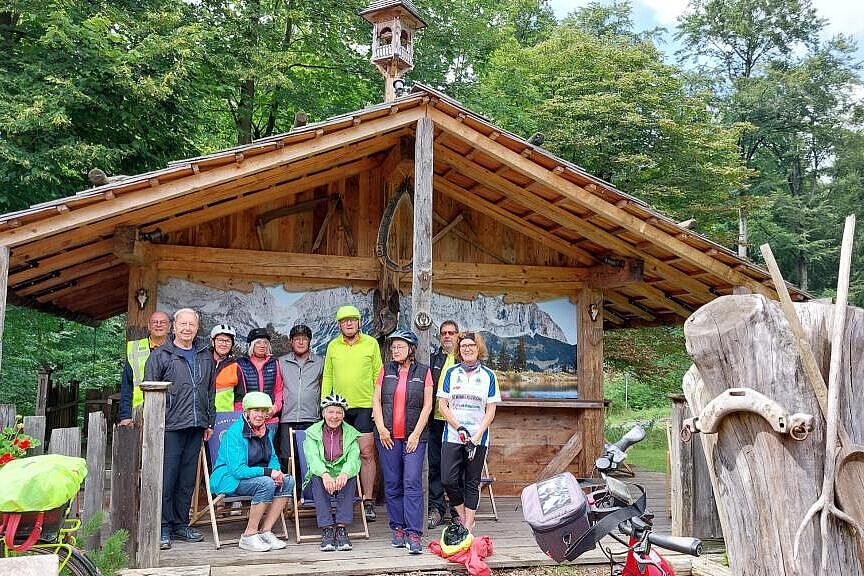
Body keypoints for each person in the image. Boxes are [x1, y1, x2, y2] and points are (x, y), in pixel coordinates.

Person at [143, 308, 216, 550]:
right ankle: (163, 526)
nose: (187, 328)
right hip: (170, 425)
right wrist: (155, 424)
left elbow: (210, 391)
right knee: (167, 477)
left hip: (196, 425)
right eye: (182, 324)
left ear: (197, 328)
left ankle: (180, 524)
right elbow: (150, 392)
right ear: (174, 327)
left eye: (191, 324)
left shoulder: (205, 354)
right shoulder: (161, 355)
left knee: (187, 479)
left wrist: (209, 421)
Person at [372, 329, 433, 554]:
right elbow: (376, 401)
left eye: (400, 346)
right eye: (393, 347)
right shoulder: (385, 370)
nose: (395, 350)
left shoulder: (424, 372)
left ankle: (414, 532)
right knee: (393, 483)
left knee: (412, 483)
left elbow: (427, 405)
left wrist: (416, 434)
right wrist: (381, 429)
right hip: (388, 437)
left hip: (414, 438)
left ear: (411, 349)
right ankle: (398, 528)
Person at [209, 391, 293, 552]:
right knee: (266, 483)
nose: (260, 415)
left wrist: (276, 471)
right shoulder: (235, 433)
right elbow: (238, 471)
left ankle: (266, 531)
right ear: (246, 412)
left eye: (263, 411)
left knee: (288, 480)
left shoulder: (264, 430)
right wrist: (268, 473)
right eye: (256, 411)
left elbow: (273, 457)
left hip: (255, 476)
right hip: (229, 478)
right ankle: (249, 535)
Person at [321, 305, 382, 521]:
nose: (349, 323)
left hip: (365, 406)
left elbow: (378, 376)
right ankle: (337, 497)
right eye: (345, 320)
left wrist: (378, 406)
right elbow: (327, 375)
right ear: (339, 325)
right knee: (336, 454)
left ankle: (367, 501)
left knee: (366, 453)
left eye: (353, 320)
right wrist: (325, 405)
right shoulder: (332, 346)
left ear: (358, 323)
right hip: (339, 409)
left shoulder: (371, 344)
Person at [437, 331, 500, 532]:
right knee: (448, 479)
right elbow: (443, 406)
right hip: (454, 435)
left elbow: (491, 410)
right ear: (459, 350)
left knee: (472, 482)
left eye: (471, 345)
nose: (467, 349)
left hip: (478, 438)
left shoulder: (489, 375)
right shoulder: (451, 373)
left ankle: (467, 526)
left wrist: (478, 434)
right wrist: (459, 427)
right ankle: (465, 518)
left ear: (478, 348)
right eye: (463, 346)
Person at [302, 394, 361, 552]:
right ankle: (327, 529)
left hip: (342, 482)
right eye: (330, 412)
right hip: (318, 482)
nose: (334, 416)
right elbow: (313, 458)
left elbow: (353, 458)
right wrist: (325, 474)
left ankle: (341, 528)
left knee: (351, 476)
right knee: (317, 477)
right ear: (323, 414)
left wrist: (344, 473)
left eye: (338, 413)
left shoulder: (351, 434)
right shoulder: (312, 433)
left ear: (343, 415)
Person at [277, 324, 323, 473]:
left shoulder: (320, 362)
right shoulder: (281, 362)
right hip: (287, 417)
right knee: (287, 458)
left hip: (311, 418)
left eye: (304, 339)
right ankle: (289, 492)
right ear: (291, 341)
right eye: (297, 339)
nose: (301, 342)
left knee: (310, 457)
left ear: (309, 341)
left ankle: (307, 493)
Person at [428, 320, 459, 529]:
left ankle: (457, 510)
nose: (447, 336)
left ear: (458, 335)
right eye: (444, 333)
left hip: (457, 424)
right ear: (440, 336)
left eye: (451, 333)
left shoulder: (463, 358)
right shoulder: (433, 359)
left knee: (457, 469)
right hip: (436, 421)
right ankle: (437, 509)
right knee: (435, 467)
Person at [227, 328, 284, 435]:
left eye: (265, 342)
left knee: (268, 450)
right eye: (258, 342)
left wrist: (274, 408)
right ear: (252, 345)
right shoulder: (241, 364)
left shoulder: (274, 363)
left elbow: (278, 390)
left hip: (270, 419)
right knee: (249, 450)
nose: (262, 345)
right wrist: (242, 414)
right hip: (249, 419)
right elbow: (238, 394)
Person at [119, 311, 170, 426]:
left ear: (169, 327)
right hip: (140, 413)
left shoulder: (177, 349)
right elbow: (127, 385)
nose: (158, 324)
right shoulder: (135, 349)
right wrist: (125, 416)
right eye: (154, 322)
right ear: (148, 326)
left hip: (171, 414)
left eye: (163, 322)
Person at [210, 324, 238, 412]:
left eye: (227, 341)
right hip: (203, 417)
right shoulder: (202, 362)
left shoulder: (235, 366)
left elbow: (240, 397)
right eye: (220, 340)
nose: (224, 344)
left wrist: (237, 418)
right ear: (212, 342)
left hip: (225, 417)